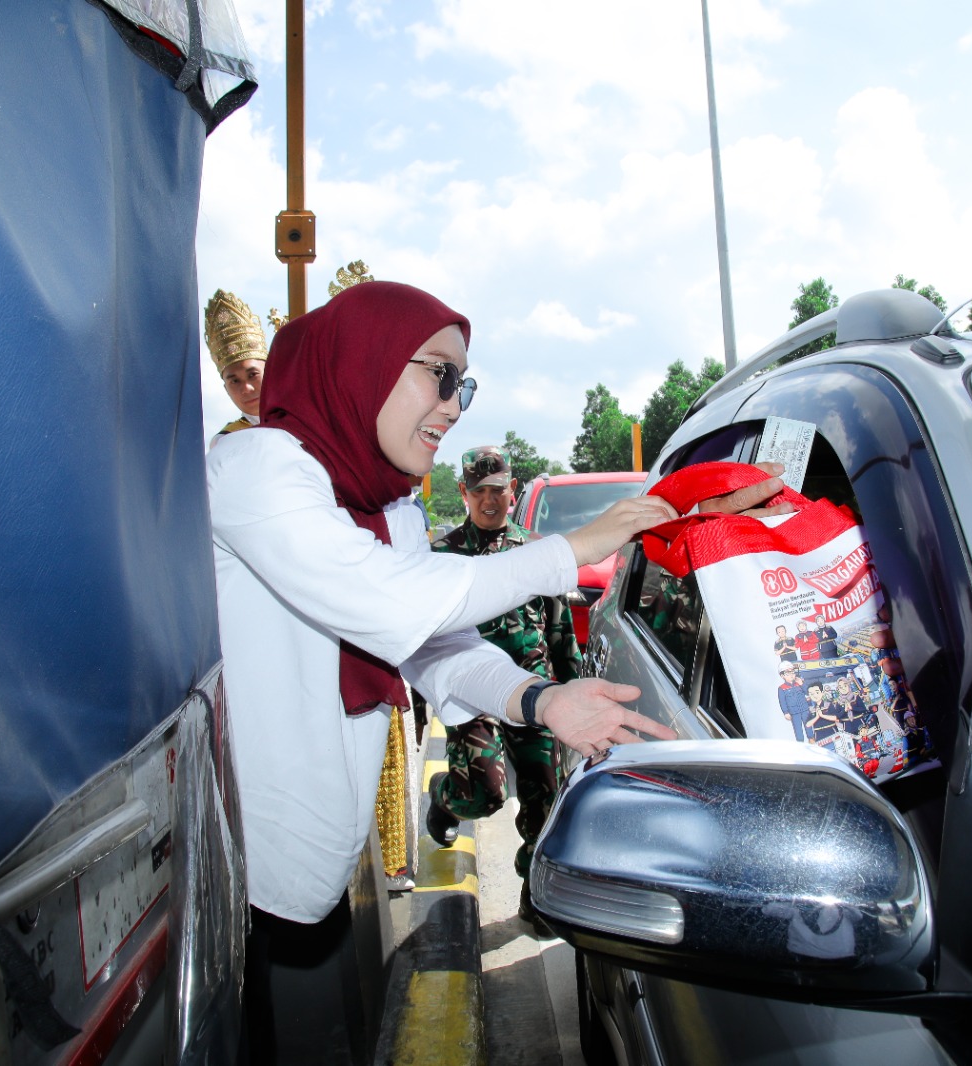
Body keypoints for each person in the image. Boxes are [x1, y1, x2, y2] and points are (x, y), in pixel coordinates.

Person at [207, 280, 785, 1059]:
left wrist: (541, 700)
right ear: (361, 364)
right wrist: (576, 547)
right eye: (438, 373)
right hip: (242, 888)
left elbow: (437, 645)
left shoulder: (387, 510)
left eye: (463, 384)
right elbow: (391, 604)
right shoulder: (258, 469)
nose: (453, 405)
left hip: (319, 868)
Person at [426, 444, 579, 935]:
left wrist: (571, 689)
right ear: (464, 493)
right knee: (484, 795)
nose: (490, 501)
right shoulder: (442, 558)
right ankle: (444, 795)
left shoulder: (535, 550)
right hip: (473, 695)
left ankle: (533, 894)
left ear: (513, 491)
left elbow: (560, 630)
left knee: (545, 801)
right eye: (480, 492)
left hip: (533, 691)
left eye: (499, 490)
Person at [203, 288, 268, 448]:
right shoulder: (226, 442)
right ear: (226, 389)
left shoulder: (305, 424)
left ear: (271, 372)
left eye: (253, 374)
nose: (246, 388)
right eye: (235, 381)